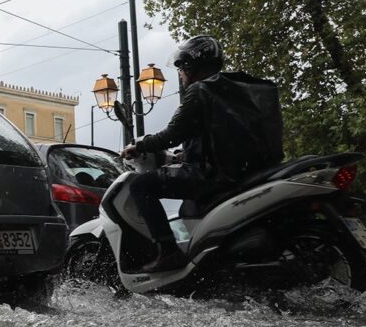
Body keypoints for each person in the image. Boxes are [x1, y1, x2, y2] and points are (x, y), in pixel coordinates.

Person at [120, 35, 283, 274]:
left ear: (191, 64)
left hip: (212, 176)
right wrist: (180, 157)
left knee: (141, 186)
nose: (181, 74)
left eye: (181, 67)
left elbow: (173, 134)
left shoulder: (201, 90)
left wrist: (139, 147)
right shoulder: (238, 89)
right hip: (251, 172)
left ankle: (168, 252)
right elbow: (221, 138)